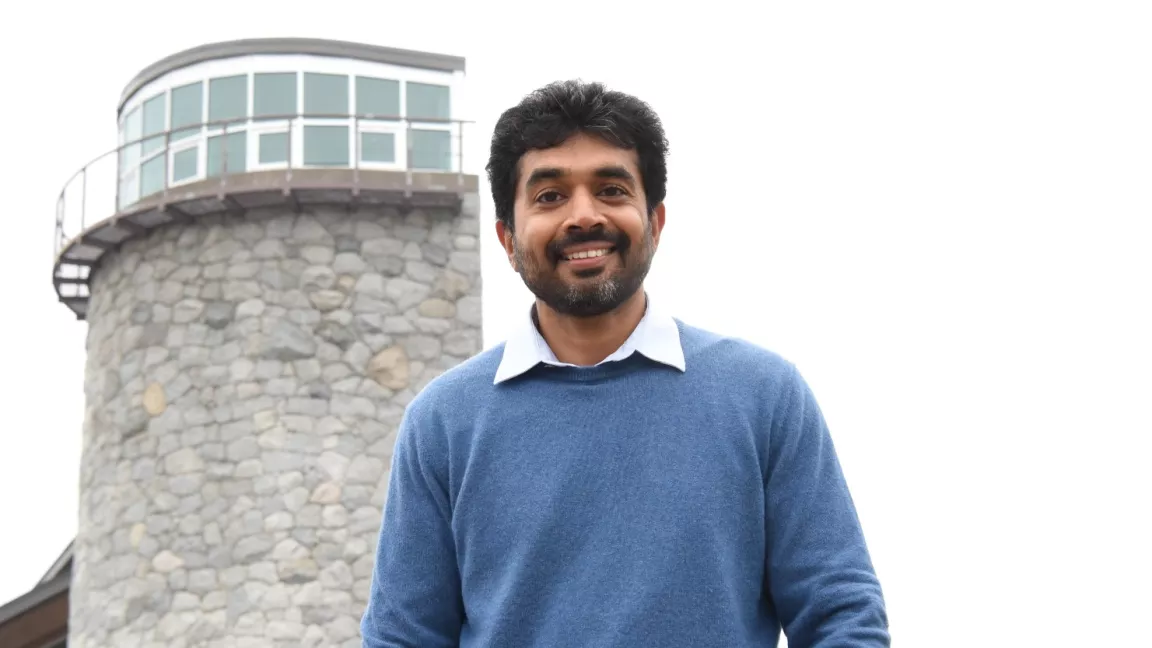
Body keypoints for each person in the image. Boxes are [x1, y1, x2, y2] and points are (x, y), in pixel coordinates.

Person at [360, 80, 889, 648]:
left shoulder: (763, 396)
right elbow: (403, 638)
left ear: (655, 222)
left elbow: (842, 617)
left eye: (611, 189)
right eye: (549, 196)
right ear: (507, 239)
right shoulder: (442, 423)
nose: (583, 216)